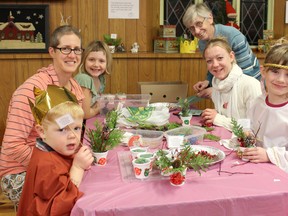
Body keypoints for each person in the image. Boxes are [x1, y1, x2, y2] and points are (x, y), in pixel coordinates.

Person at [0, 25, 85, 206]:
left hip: (55, 162)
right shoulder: (33, 91)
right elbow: (12, 146)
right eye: (65, 49)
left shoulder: (75, 87)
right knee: (71, 200)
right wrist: (58, 166)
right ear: (52, 51)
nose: (72, 55)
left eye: (77, 49)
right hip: (21, 172)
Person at [17, 85, 93, 215]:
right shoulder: (48, 164)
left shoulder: (52, 147)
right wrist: (78, 167)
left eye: (76, 128)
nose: (72, 136)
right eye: (62, 129)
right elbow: (60, 205)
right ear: (42, 131)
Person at [182, 3, 261, 98]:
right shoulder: (202, 43)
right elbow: (215, 66)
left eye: (199, 24)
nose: (197, 31)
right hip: (228, 85)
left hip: (251, 83)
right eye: (192, 28)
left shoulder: (234, 36)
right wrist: (208, 82)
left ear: (210, 18)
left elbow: (247, 73)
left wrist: (216, 91)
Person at [244, 42, 288, 171]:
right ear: (263, 71)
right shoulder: (258, 102)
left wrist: (269, 155)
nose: (281, 80)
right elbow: (251, 127)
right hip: (256, 166)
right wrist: (248, 134)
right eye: (275, 72)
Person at [200, 37, 262, 130]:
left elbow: (254, 126)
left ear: (231, 57)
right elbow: (227, 116)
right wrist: (214, 114)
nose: (215, 64)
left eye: (220, 58)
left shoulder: (250, 85)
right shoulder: (216, 86)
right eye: (209, 61)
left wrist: (217, 118)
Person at [74, 40, 112, 119]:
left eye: (101, 61)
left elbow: (95, 102)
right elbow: (85, 114)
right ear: (84, 61)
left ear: (107, 63)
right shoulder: (84, 79)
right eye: (91, 60)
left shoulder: (101, 79)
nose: (96, 65)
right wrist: (98, 109)